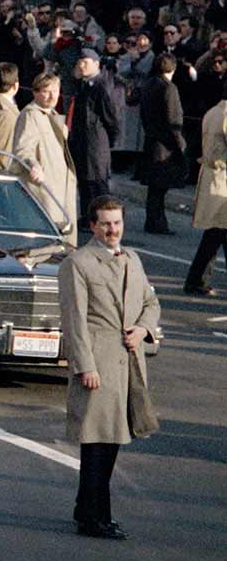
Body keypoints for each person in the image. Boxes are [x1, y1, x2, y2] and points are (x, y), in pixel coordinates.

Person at [60, 196, 160, 540]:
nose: (112, 229)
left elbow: (150, 303)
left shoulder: (132, 259)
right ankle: (94, 516)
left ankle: (86, 507)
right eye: (105, 223)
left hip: (128, 365)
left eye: (116, 223)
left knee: (115, 439)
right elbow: (74, 321)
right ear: (92, 226)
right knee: (96, 443)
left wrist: (143, 330)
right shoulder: (79, 263)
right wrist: (85, 365)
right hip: (98, 363)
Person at [9, 72, 78, 241]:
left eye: (55, 90)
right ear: (35, 92)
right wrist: (34, 164)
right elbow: (23, 149)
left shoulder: (52, 114)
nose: (52, 95)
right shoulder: (31, 114)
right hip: (44, 189)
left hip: (60, 187)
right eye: (46, 91)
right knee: (45, 241)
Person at [65, 50, 120, 223]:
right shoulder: (82, 84)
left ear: (97, 64)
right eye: (80, 62)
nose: (81, 66)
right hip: (81, 142)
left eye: (86, 62)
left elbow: (110, 117)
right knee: (84, 181)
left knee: (97, 182)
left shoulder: (100, 86)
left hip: (96, 142)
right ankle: (88, 216)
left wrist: (109, 140)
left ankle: (104, 218)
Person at [137, 53, 184, 236]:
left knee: (154, 188)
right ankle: (157, 223)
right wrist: (180, 144)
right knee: (160, 187)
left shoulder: (148, 84)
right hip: (165, 144)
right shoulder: (168, 87)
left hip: (151, 139)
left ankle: (153, 220)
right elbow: (174, 118)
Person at [185, 94, 227, 297]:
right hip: (223, 178)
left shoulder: (213, 111)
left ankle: (197, 279)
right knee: (217, 232)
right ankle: (196, 280)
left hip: (213, 177)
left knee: (216, 233)